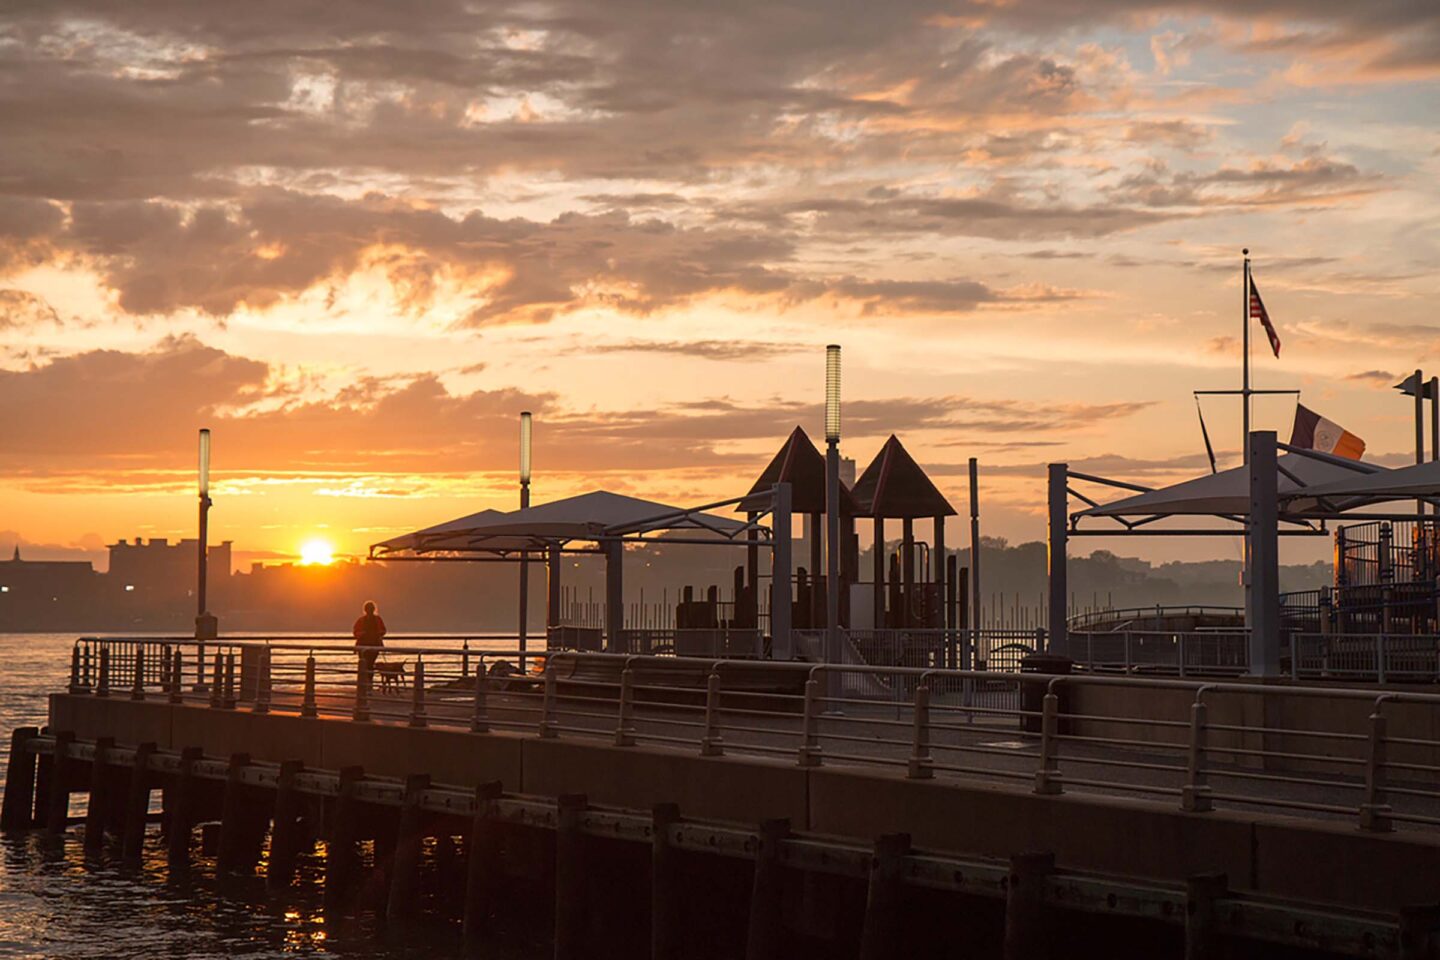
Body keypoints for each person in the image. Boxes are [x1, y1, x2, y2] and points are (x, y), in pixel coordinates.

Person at [353, 600, 387, 687]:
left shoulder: (377, 619)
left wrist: (378, 633)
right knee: (364, 664)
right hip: (363, 646)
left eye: (371, 609)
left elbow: (383, 630)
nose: (370, 611)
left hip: (374, 646)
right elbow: (355, 632)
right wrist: (362, 634)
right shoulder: (361, 620)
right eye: (368, 609)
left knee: (370, 664)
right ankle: (364, 684)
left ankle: (368, 683)